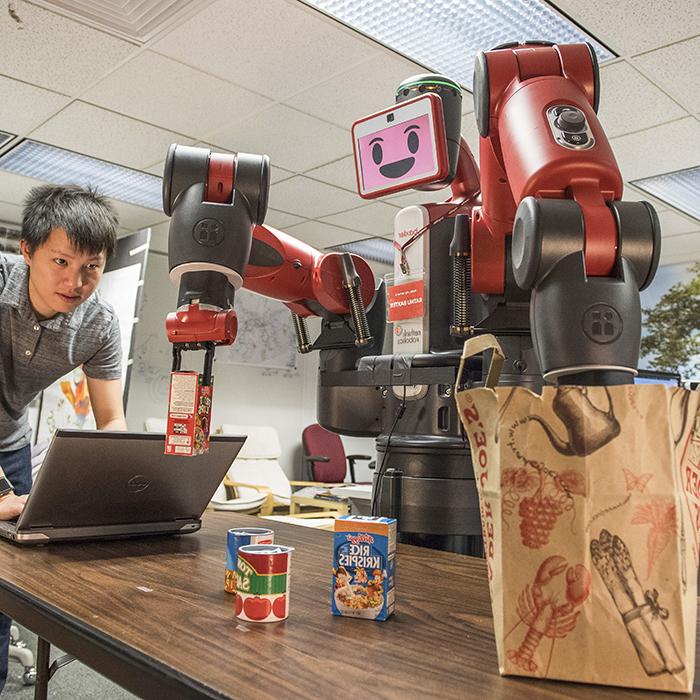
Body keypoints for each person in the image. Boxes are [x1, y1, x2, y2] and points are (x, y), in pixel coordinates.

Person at [0, 184, 128, 691]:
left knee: (6, 583)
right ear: (26, 250)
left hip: (9, 443)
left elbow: (111, 420)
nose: (75, 282)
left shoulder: (100, 325)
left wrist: (120, 481)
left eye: (91, 267)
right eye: (60, 262)